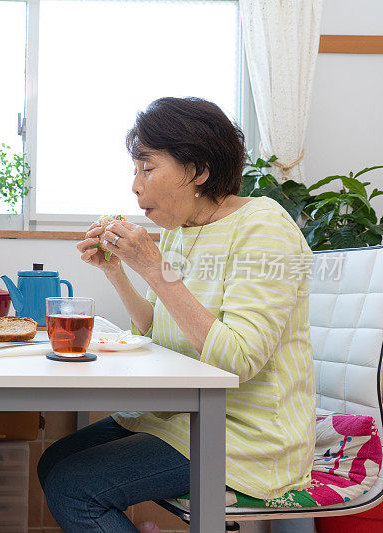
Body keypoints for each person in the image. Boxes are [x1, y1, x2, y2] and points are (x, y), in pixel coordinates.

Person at [38, 97, 315, 532]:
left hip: (246, 435)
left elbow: (238, 359)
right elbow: (159, 329)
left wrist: (153, 267)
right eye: (135, 170)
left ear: (198, 170)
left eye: (147, 168)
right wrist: (118, 272)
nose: (135, 185)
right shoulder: (181, 232)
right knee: (55, 460)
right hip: (184, 417)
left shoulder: (265, 228)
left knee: (75, 486)